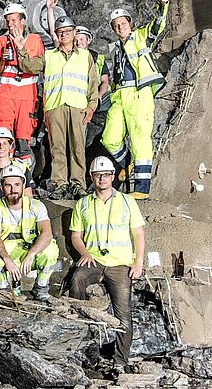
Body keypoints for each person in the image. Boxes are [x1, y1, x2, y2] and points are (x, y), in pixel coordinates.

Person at [67, 156, 146, 371]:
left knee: (123, 314)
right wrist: (84, 252)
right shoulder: (83, 203)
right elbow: (76, 235)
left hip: (120, 264)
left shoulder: (127, 202)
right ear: (92, 177)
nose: (102, 178)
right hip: (94, 260)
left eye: (106, 175)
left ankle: (120, 362)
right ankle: (80, 345)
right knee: (77, 278)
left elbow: (138, 233)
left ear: (112, 176)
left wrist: (138, 262)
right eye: (97, 175)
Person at [18, 6, 101, 198]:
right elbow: (29, 66)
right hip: (55, 107)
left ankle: (78, 184)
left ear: (74, 33)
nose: (64, 35)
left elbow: (92, 84)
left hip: (78, 107)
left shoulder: (85, 56)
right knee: (57, 147)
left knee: (78, 147)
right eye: (60, 32)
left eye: (67, 31)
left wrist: (91, 106)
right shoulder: (49, 55)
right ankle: (60, 183)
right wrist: (21, 48)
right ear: (56, 34)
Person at [101, 0, 169, 197]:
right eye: (116, 25)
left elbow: (157, 26)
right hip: (119, 96)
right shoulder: (115, 49)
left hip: (139, 93)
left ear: (130, 24)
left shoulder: (140, 37)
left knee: (140, 138)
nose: (120, 27)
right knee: (109, 137)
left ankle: (141, 188)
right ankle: (127, 162)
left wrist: (163, 5)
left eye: (123, 23)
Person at [0, 165, 58, 299]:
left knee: (50, 250)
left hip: (30, 251)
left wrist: (31, 254)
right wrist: (7, 260)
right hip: (9, 252)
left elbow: (46, 233)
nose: (13, 190)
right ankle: (5, 289)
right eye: (8, 185)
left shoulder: (37, 206)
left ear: (23, 186)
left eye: (17, 185)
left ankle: (41, 288)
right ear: (1, 187)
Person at [0, 4, 44, 161]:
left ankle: (24, 168)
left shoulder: (35, 40)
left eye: (13, 20)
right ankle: (3, 166)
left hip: (26, 96)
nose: (10, 24)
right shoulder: (2, 41)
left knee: (23, 135)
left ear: (23, 21)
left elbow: (36, 67)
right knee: (3, 133)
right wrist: (2, 59)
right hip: (6, 95)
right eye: (8, 21)